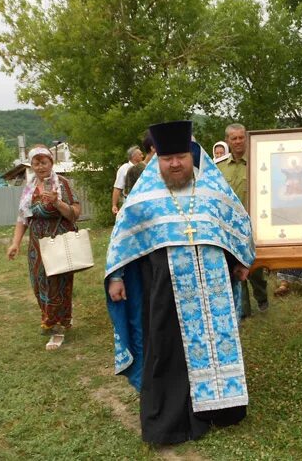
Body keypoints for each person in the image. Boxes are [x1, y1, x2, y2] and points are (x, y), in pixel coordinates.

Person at [104, 120, 255, 444]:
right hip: (164, 286)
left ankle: (222, 410)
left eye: (181, 157)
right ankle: (171, 423)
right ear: (158, 159)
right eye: (167, 158)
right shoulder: (145, 193)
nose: (175, 164)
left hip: (213, 282)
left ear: (192, 155)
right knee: (167, 351)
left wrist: (243, 259)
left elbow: (237, 219)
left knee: (218, 344)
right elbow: (123, 236)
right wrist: (116, 276)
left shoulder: (212, 186)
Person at [7, 145, 82, 350]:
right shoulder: (29, 189)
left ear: (51, 163)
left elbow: (75, 213)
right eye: (36, 163)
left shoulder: (63, 185)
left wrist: (57, 203)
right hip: (37, 246)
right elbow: (23, 218)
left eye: (44, 162)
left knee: (56, 285)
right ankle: (56, 318)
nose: (40, 167)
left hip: (58, 242)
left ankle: (56, 328)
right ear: (31, 165)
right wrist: (15, 243)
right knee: (38, 284)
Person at [216, 123, 270, 315]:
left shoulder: (259, 162)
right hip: (230, 224)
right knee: (234, 263)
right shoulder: (220, 167)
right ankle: (244, 309)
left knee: (254, 265)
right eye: (234, 138)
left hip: (253, 222)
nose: (238, 141)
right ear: (228, 141)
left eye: (241, 137)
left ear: (246, 139)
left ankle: (262, 296)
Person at [112, 146, 136, 215]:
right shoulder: (124, 168)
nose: (142, 156)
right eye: (140, 154)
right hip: (129, 202)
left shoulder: (144, 167)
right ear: (134, 156)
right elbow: (117, 187)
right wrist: (114, 205)